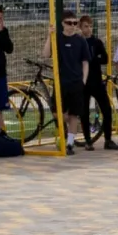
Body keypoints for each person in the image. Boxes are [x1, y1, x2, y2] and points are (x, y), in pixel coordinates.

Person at [52, 14, 92, 150]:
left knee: (74, 113)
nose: (72, 26)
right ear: (63, 23)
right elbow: (46, 54)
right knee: (57, 113)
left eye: (75, 23)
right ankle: (68, 133)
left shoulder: (80, 40)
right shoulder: (57, 38)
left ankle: (70, 142)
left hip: (76, 81)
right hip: (61, 81)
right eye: (69, 23)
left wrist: (83, 80)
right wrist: (49, 36)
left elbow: (85, 62)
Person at [78, 14, 115, 150]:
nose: (88, 29)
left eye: (89, 26)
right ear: (80, 28)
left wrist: (93, 59)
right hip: (84, 83)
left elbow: (105, 58)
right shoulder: (79, 42)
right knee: (84, 111)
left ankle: (108, 139)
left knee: (107, 109)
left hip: (97, 82)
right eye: (85, 27)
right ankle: (88, 140)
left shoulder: (97, 42)